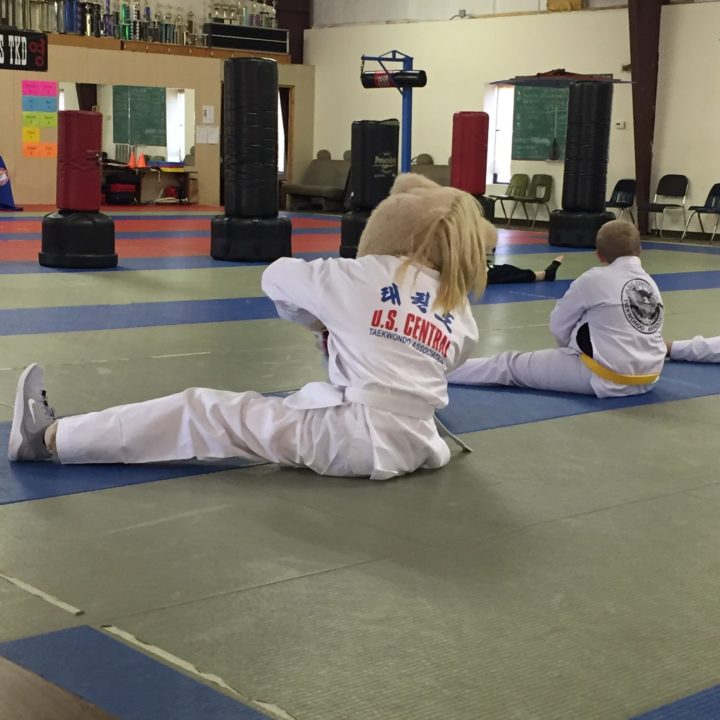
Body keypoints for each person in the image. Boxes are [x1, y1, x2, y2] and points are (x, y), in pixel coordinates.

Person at [9, 174, 494, 481]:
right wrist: (341, 330)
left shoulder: (359, 275)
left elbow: (277, 276)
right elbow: (423, 360)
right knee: (270, 411)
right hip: (419, 444)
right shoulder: (458, 310)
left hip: (350, 439)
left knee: (202, 412)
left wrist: (316, 318)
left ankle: (48, 439)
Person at [447, 219, 666, 398]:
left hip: (604, 376)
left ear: (598, 254)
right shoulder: (649, 283)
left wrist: (568, 352)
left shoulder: (593, 279)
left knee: (507, 365)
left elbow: (558, 324)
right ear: (640, 251)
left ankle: (440, 373)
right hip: (648, 378)